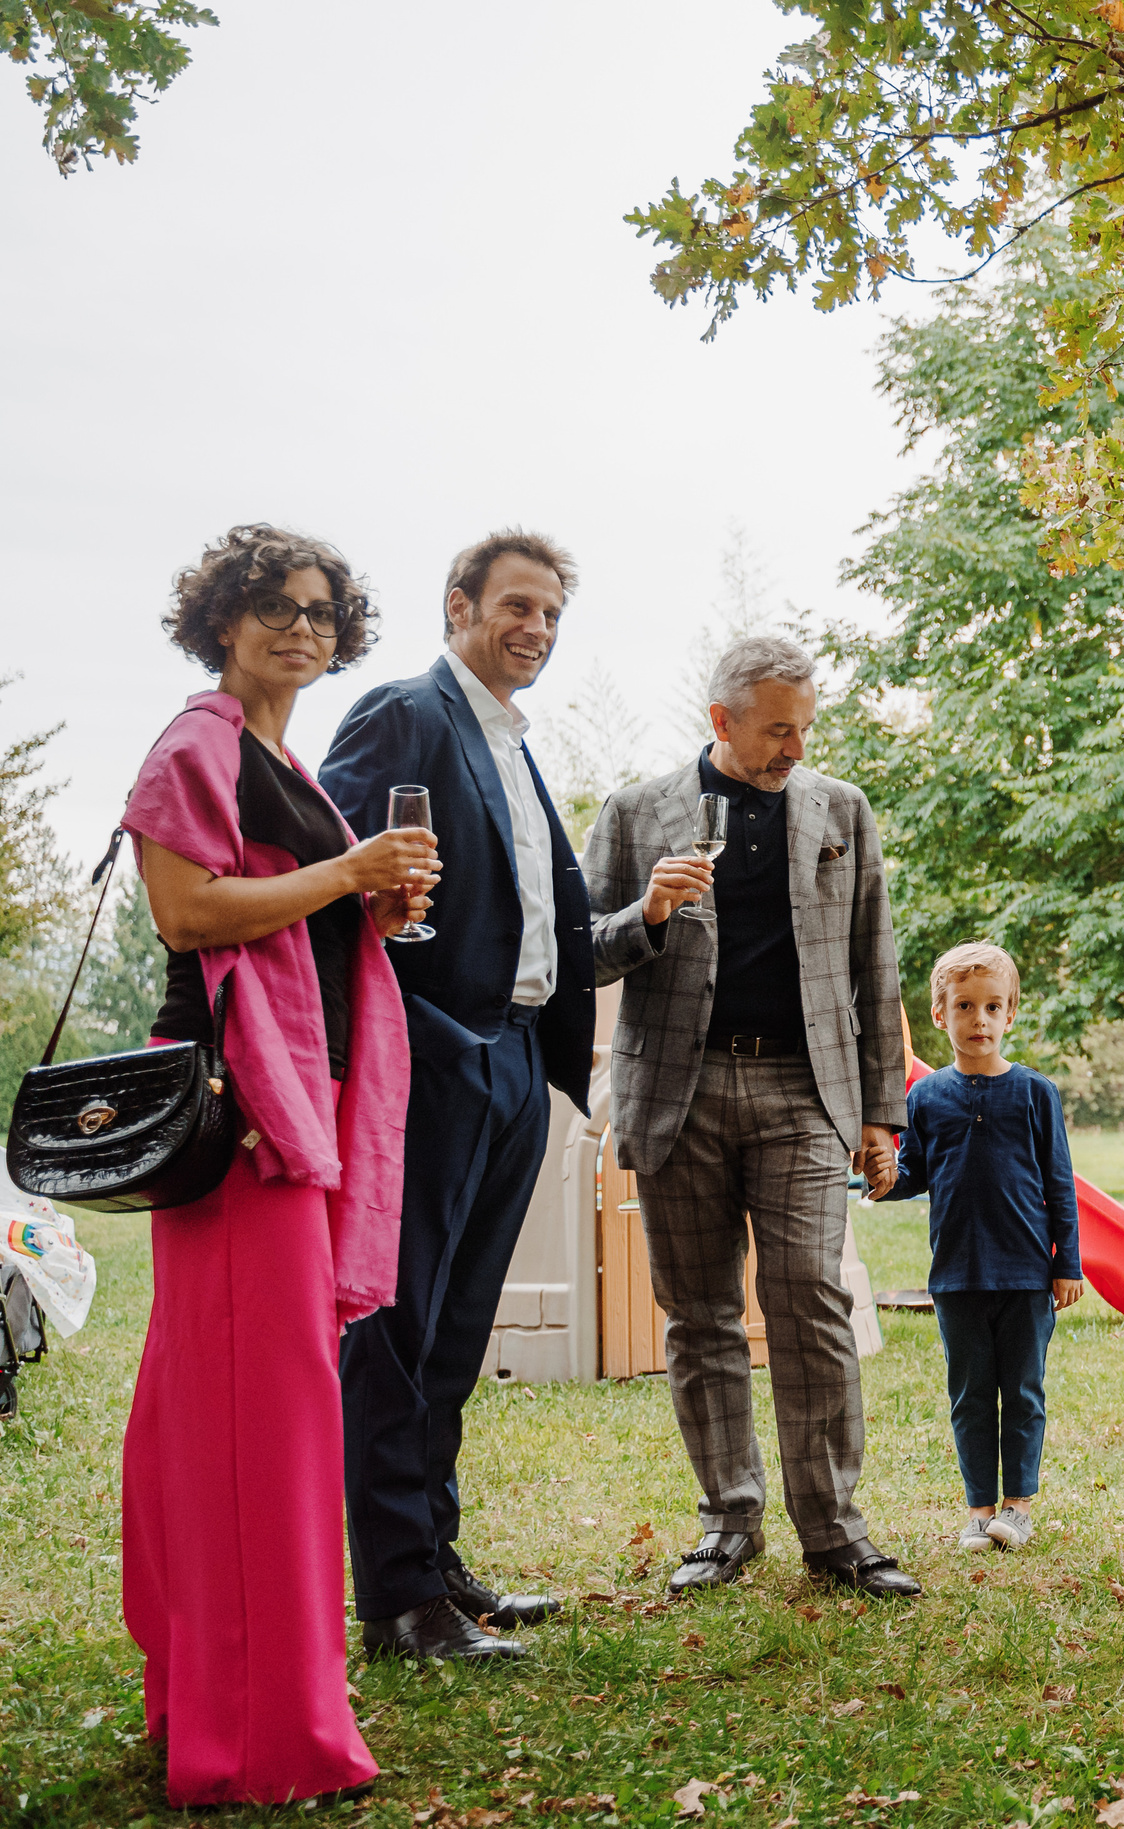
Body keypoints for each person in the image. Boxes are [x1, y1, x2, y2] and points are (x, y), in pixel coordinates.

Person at [122, 524, 434, 1803]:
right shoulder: (197, 742)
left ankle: (217, 1696)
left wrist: (365, 901)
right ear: (222, 620)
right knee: (262, 1424)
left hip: (291, 1115)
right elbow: (187, 911)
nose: (301, 627)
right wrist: (346, 870)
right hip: (243, 1124)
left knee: (236, 1418)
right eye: (273, 606)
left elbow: (288, 910)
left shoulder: (276, 755)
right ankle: (260, 1738)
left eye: (321, 610)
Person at [584, 635, 923, 1599]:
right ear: (720, 720)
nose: (794, 746)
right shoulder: (635, 811)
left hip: (801, 1093)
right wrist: (645, 913)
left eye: (806, 727)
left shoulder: (841, 810)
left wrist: (881, 1111)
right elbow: (580, 950)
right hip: (676, 1094)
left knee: (811, 1297)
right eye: (778, 729)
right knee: (700, 1317)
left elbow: (874, 964)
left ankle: (837, 1530)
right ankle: (730, 1520)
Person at [319, 530, 596, 1662]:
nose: (533, 629)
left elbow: (539, 924)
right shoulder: (404, 715)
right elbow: (329, 885)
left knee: (457, 1332)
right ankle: (393, 1598)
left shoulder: (520, 751)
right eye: (515, 607)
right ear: (459, 604)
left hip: (517, 1066)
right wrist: (424, 1036)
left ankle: (434, 1560)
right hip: (430, 1064)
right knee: (398, 1329)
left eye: (550, 616)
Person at [879, 942, 1083, 1552]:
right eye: (965, 1006)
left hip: (1025, 1277)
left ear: (1011, 1015)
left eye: (993, 1007)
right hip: (957, 1275)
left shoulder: (1035, 1094)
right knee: (970, 1396)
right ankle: (979, 1511)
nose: (980, 1020)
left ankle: (1017, 1509)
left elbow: (1060, 1184)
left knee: (1022, 1392)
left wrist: (1065, 1263)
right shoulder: (925, 1098)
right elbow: (913, 1174)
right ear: (940, 1014)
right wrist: (883, 1179)